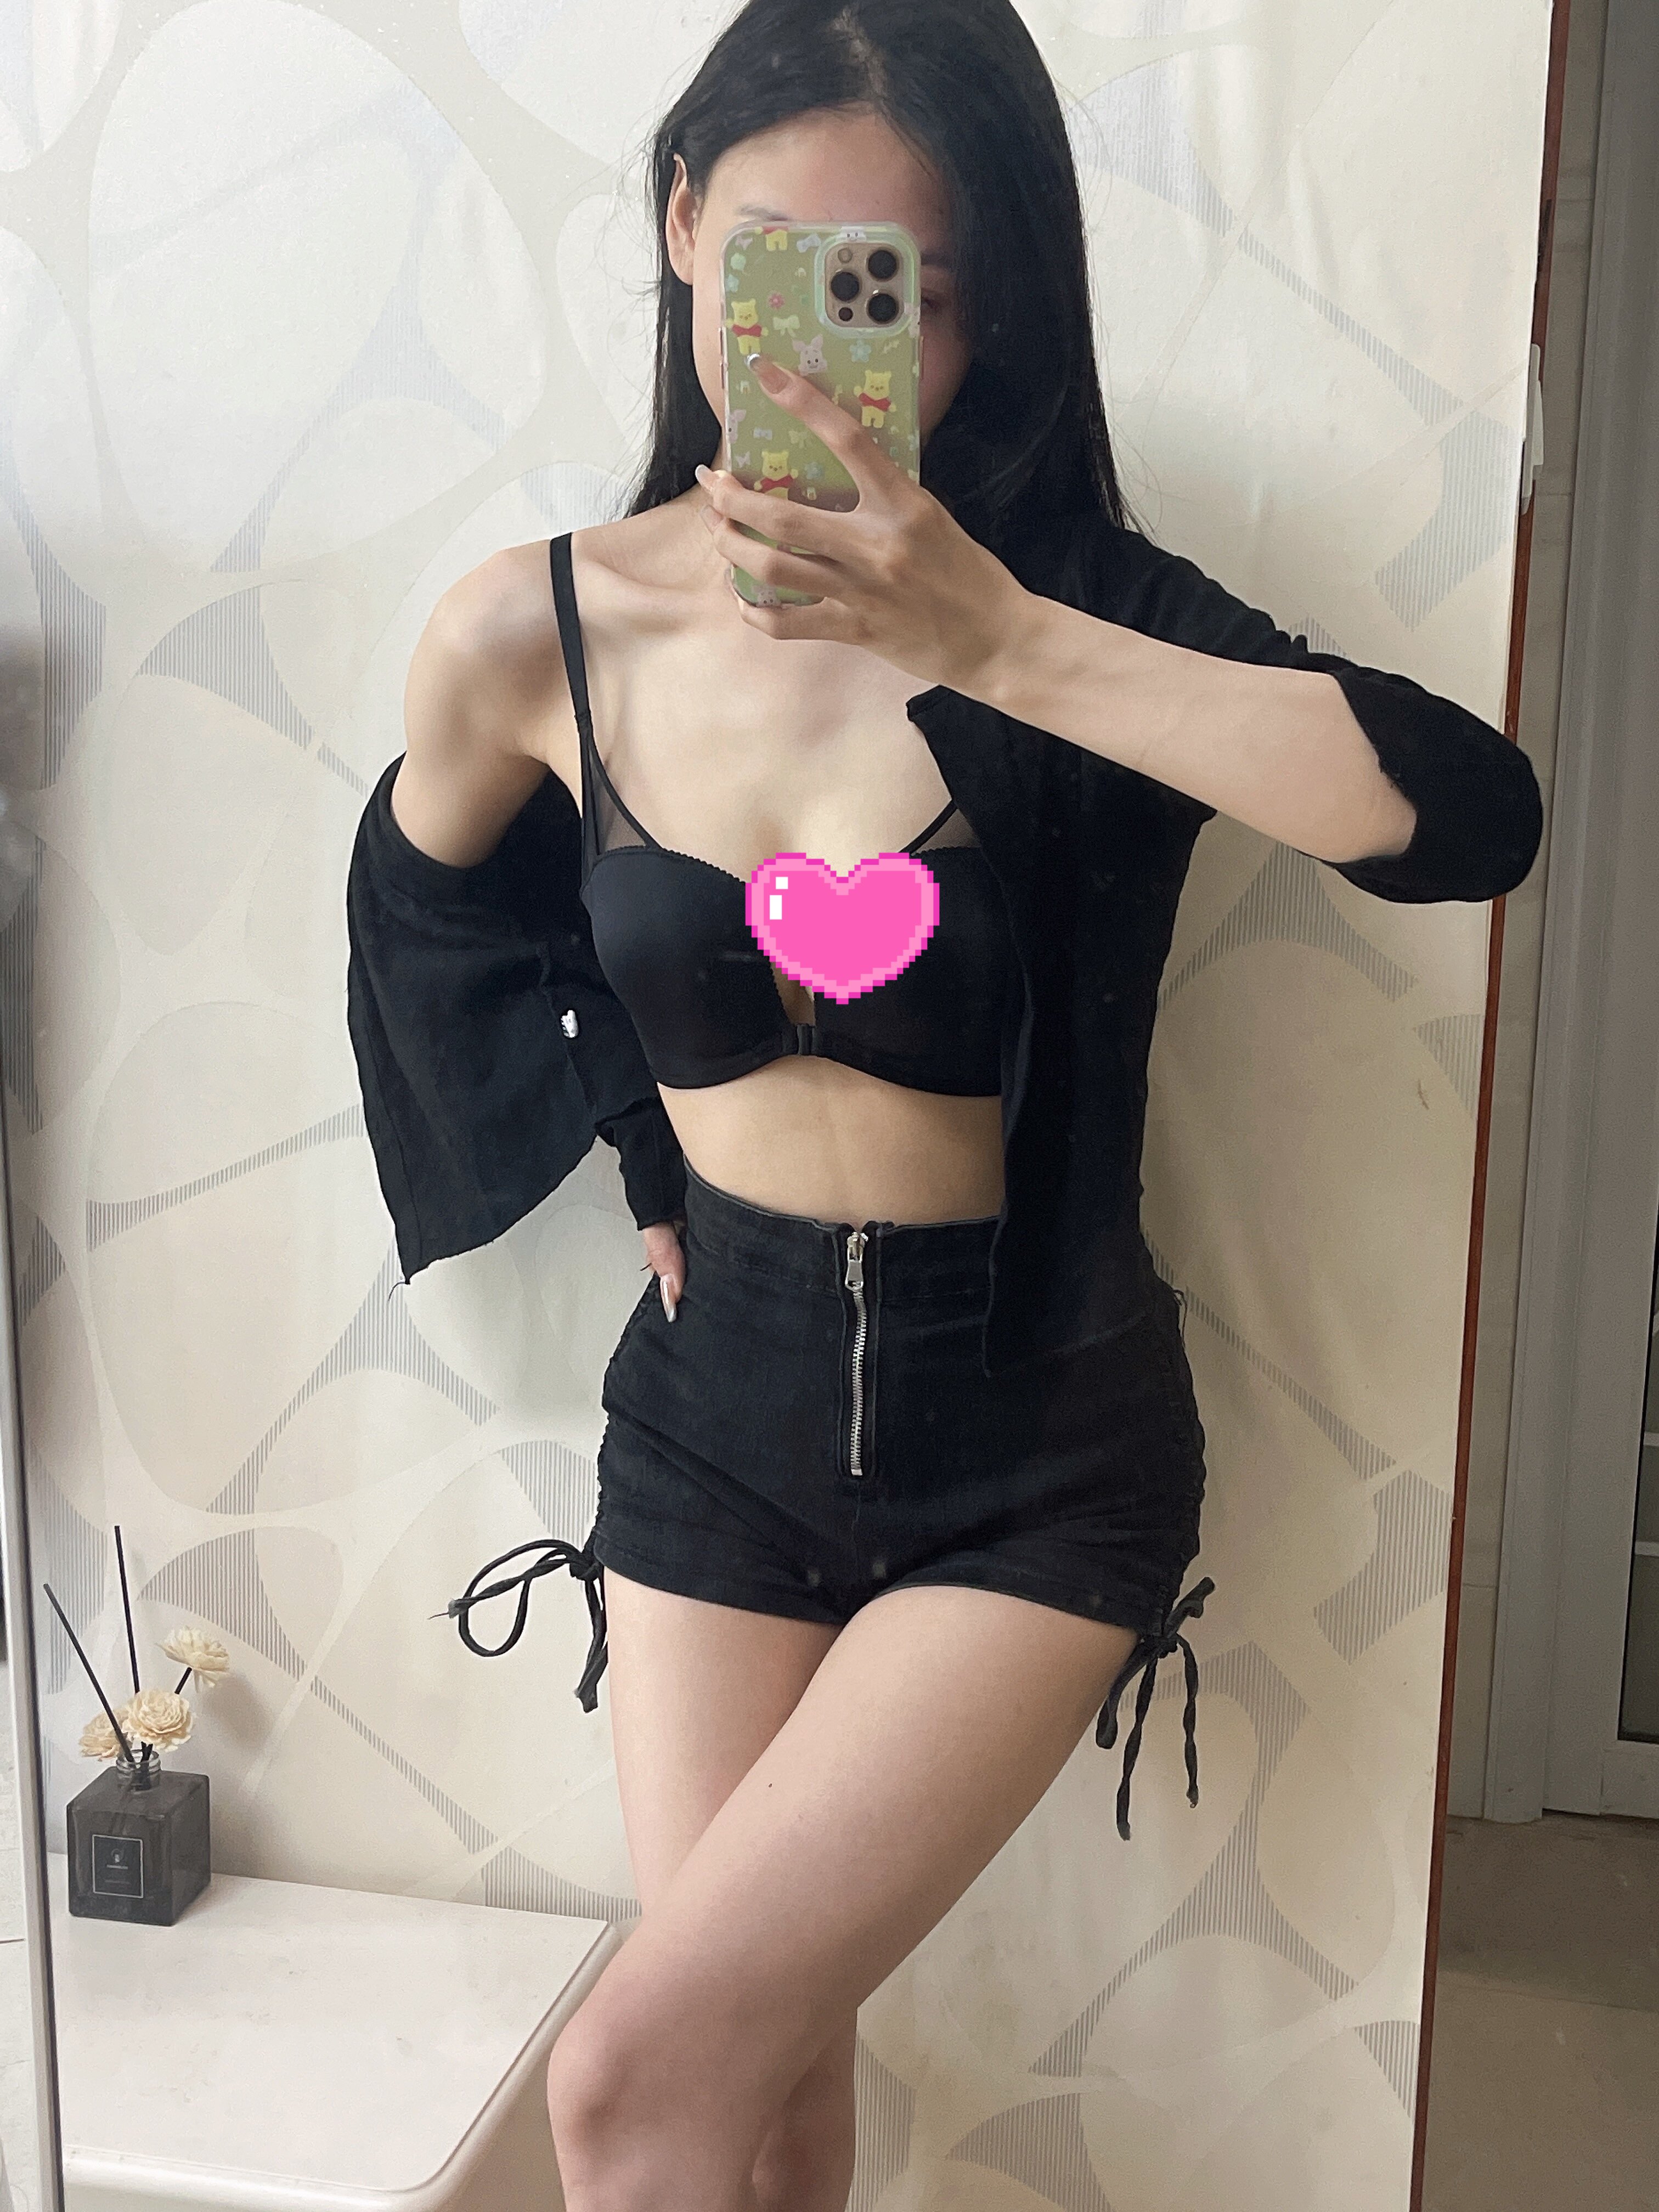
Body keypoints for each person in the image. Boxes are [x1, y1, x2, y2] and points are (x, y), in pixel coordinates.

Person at [348, 2, 1543, 2203]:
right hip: (710, 1429)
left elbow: (1466, 817)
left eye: (902, 288)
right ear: (683, 227)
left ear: (989, 309)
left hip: (1041, 1448)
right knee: (758, 2102)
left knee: (626, 2087)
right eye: (781, 265)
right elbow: (445, 907)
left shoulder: (1072, 619)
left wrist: (998, 645)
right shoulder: (536, 637)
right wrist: (633, 1134)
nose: (833, 349)